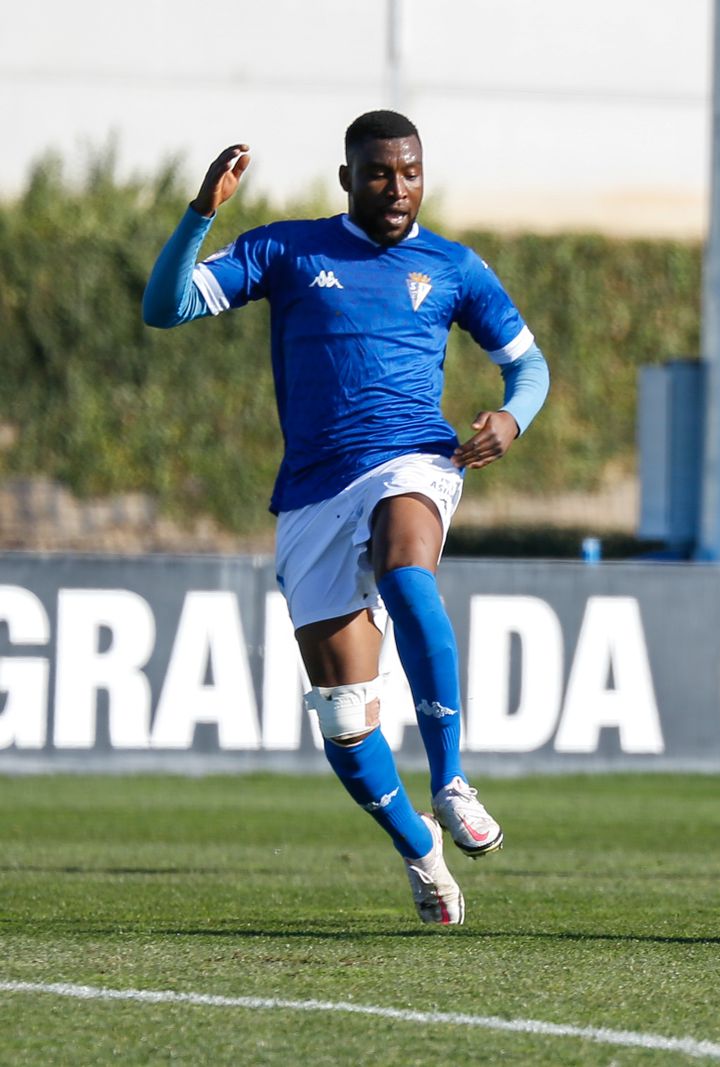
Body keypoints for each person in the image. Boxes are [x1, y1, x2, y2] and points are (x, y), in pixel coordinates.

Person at [142, 111, 550, 925]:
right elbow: (167, 306)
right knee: (344, 718)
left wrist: (513, 418)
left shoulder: (456, 267)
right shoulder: (290, 250)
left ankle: (453, 778)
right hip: (313, 495)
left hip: (413, 460)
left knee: (408, 571)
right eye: (378, 174)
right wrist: (201, 213)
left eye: (409, 172)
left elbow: (527, 365)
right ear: (347, 179)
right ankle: (421, 847)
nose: (396, 189)